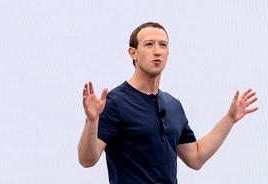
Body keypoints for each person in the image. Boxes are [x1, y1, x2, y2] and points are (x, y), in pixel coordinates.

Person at [77, 22, 258, 183]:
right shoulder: (115, 102)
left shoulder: (173, 105)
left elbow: (195, 157)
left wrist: (229, 119)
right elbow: (87, 159)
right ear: (133, 53)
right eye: (149, 44)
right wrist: (91, 120)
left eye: (163, 45)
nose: (157, 51)